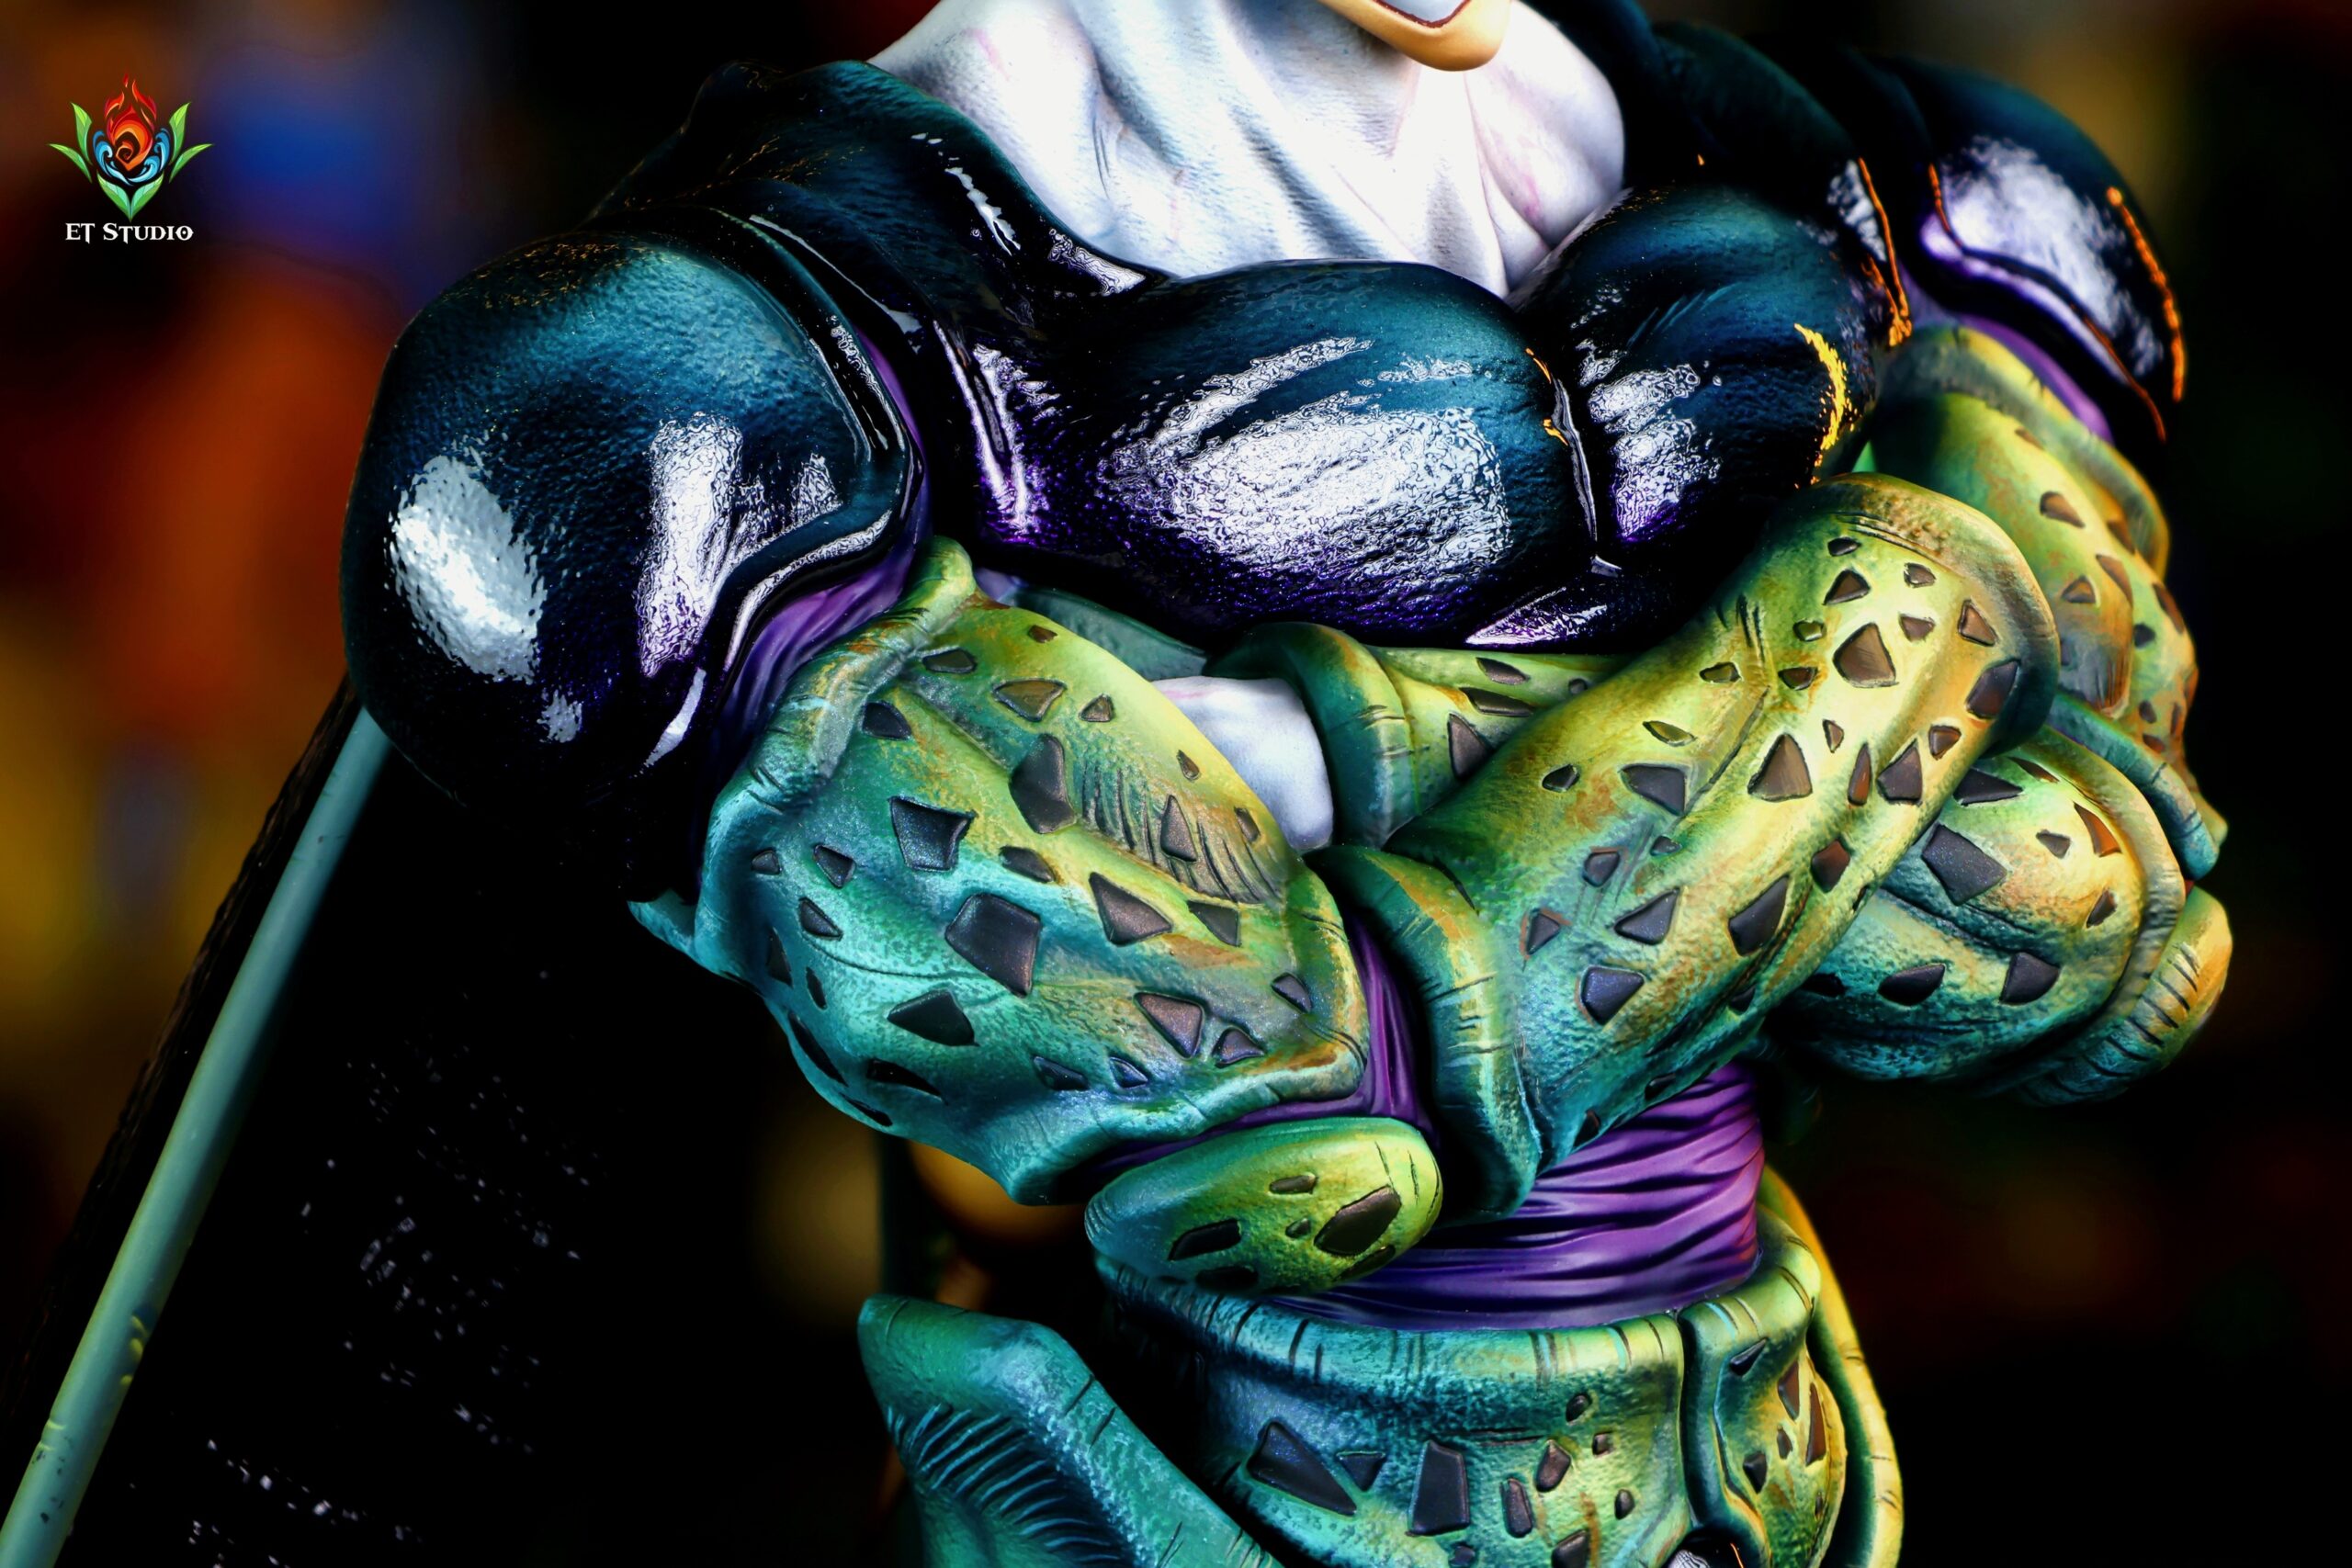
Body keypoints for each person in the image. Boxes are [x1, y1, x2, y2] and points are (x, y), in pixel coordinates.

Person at [339, 3, 2228, 1562]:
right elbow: (1293, 1126)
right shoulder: (680, 387)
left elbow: (2081, 923)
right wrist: (1904, 603)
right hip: (1228, 1501)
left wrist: (1350, 748)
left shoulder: (1906, 188)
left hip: (1789, 1470)